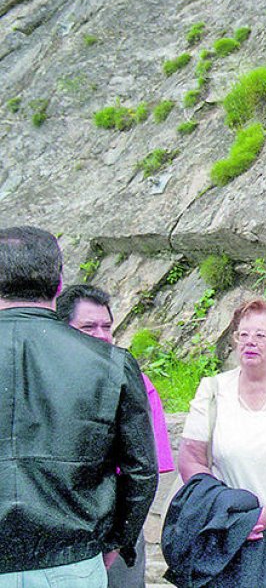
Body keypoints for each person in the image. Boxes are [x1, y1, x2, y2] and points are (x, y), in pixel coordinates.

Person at [0, 226, 157, 585]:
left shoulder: (111, 363)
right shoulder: (110, 362)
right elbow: (141, 470)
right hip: (72, 560)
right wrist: (118, 539)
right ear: (59, 283)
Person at [176, 298, 266, 587]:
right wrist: (228, 512)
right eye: (242, 334)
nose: (249, 342)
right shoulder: (214, 389)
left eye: (260, 335)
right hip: (225, 526)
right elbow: (191, 458)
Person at [56, 284, 176, 588]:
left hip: (116, 520)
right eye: (88, 327)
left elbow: (145, 468)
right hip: (58, 524)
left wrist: (121, 536)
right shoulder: (46, 381)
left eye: (106, 326)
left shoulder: (134, 382)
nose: (101, 335)